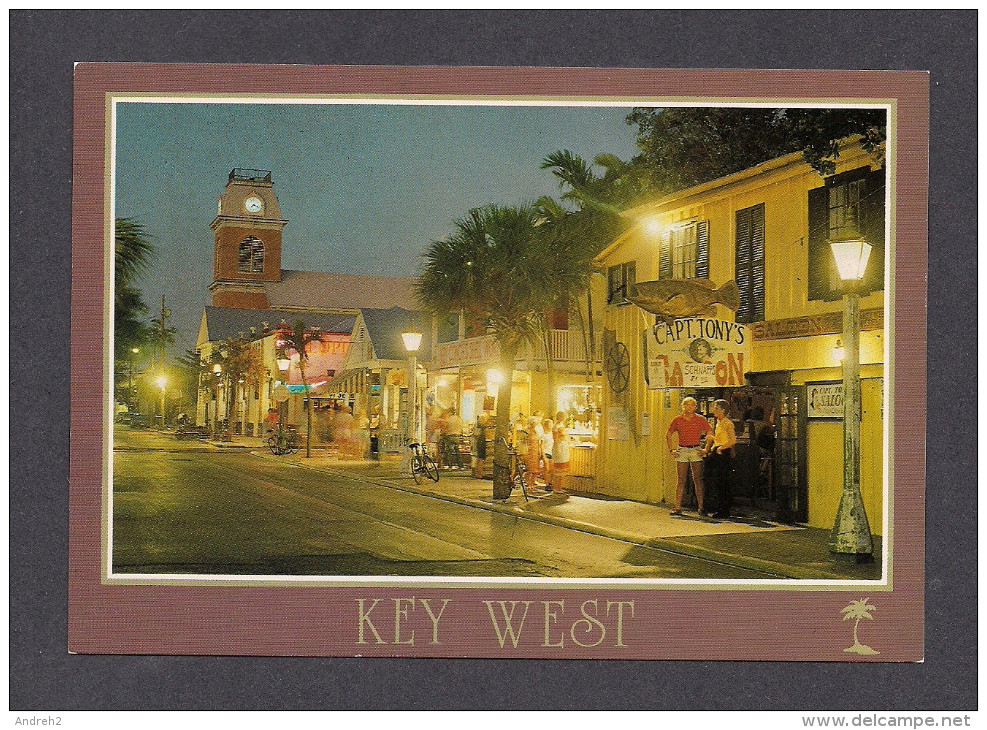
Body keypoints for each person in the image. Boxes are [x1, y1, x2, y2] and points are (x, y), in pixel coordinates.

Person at [666, 396, 713, 516]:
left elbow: (710, 432)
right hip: (682, 449)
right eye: (687, 405)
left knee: (697, 479)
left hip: (695, 448)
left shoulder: (700, 419)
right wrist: (672, 449)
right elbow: (668, 434)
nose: (689, 407)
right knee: (681, 479)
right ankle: (677, 507)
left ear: (695, 407)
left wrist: (706, 448)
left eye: (692, 405)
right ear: (683, 406)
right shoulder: (677, 419)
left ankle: (701, 507)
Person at [704, 398, 738, 518]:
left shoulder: (727, 423)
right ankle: (714, 505)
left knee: (722, 481)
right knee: (715, 479)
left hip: (722, 453)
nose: (714, 410)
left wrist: (721, 448)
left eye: (716, 408)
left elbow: (732, 440)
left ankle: (724, 509)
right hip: (717, 451)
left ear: (723, 410)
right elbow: (716, 438)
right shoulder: (718, 422)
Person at [551, 413, 571, 493]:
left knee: (562, 470)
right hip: (559, 447)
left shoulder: (561, 425)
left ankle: (560, 487)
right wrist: (557, 449)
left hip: (564, 446)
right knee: (558, 470)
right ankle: (556, 488)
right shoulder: (556, 427)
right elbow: (555, 439)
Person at [540, 417, 554, 490]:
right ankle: (547, 484)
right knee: (547, 469)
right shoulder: (543, 435)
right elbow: (541, 446)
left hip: (553, 452)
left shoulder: (553, 434)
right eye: (549, 425)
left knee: (552, 469)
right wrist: (543, 455)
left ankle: (550, 482)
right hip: (546, 452)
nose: (551, 426)